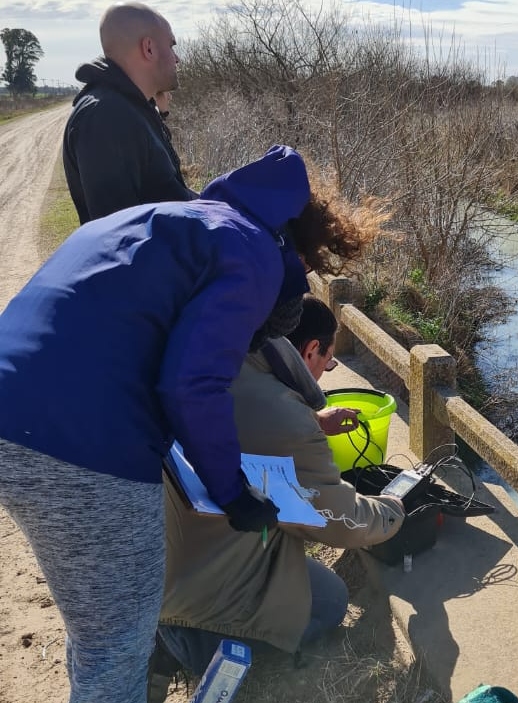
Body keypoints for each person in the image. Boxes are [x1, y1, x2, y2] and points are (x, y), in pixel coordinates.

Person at [0, 144, 363, 703]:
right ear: (300, 248)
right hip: (83, 443)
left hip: (17, 411)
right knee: (118, 644)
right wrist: (232, 491)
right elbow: (192, 384)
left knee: (100, 629)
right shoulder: (255, 251)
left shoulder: (177, 219)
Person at [155, 296, 406, 695]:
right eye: (328, 361)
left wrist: (311, 420)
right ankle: (203, 649)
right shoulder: (285, 420)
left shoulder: (214, 362)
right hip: (202, 601)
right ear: (310, 350)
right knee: (330, 599)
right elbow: (339, 522)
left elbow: (248, 426)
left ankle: (168, 639)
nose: (325, 372)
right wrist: (395, 509)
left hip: (157, 570)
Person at [63, 2, 195, 223]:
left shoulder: (132, 107)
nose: (177, 58)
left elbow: (163, 192)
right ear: (149, 48)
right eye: (171, 46)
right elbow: (119, 231)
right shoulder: (106, 116)